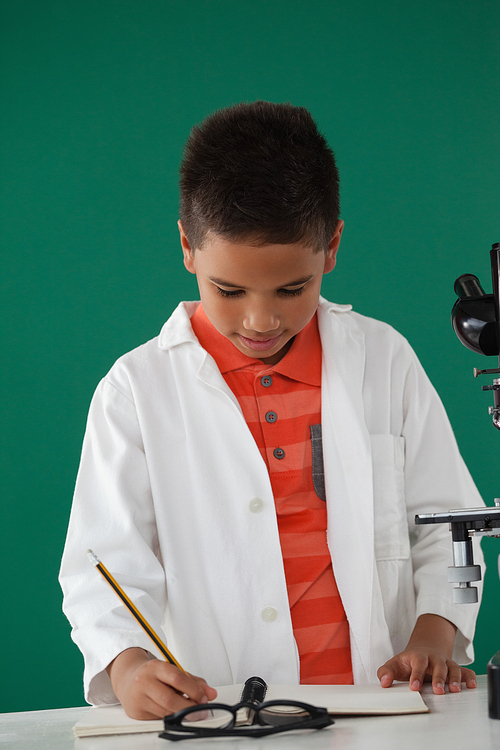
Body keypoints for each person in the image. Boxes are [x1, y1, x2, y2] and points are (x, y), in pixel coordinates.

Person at [59, 101, 485, 721]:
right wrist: (126, 664)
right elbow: (101, 566)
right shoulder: (135, 390)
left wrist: (434, 634)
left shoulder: (383, 359)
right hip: (227, 714)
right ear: (187, 246)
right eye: (229, 291)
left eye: (293, 289)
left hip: (385, 710)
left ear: (331, 246)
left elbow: (448, 524)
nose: (262, 321)